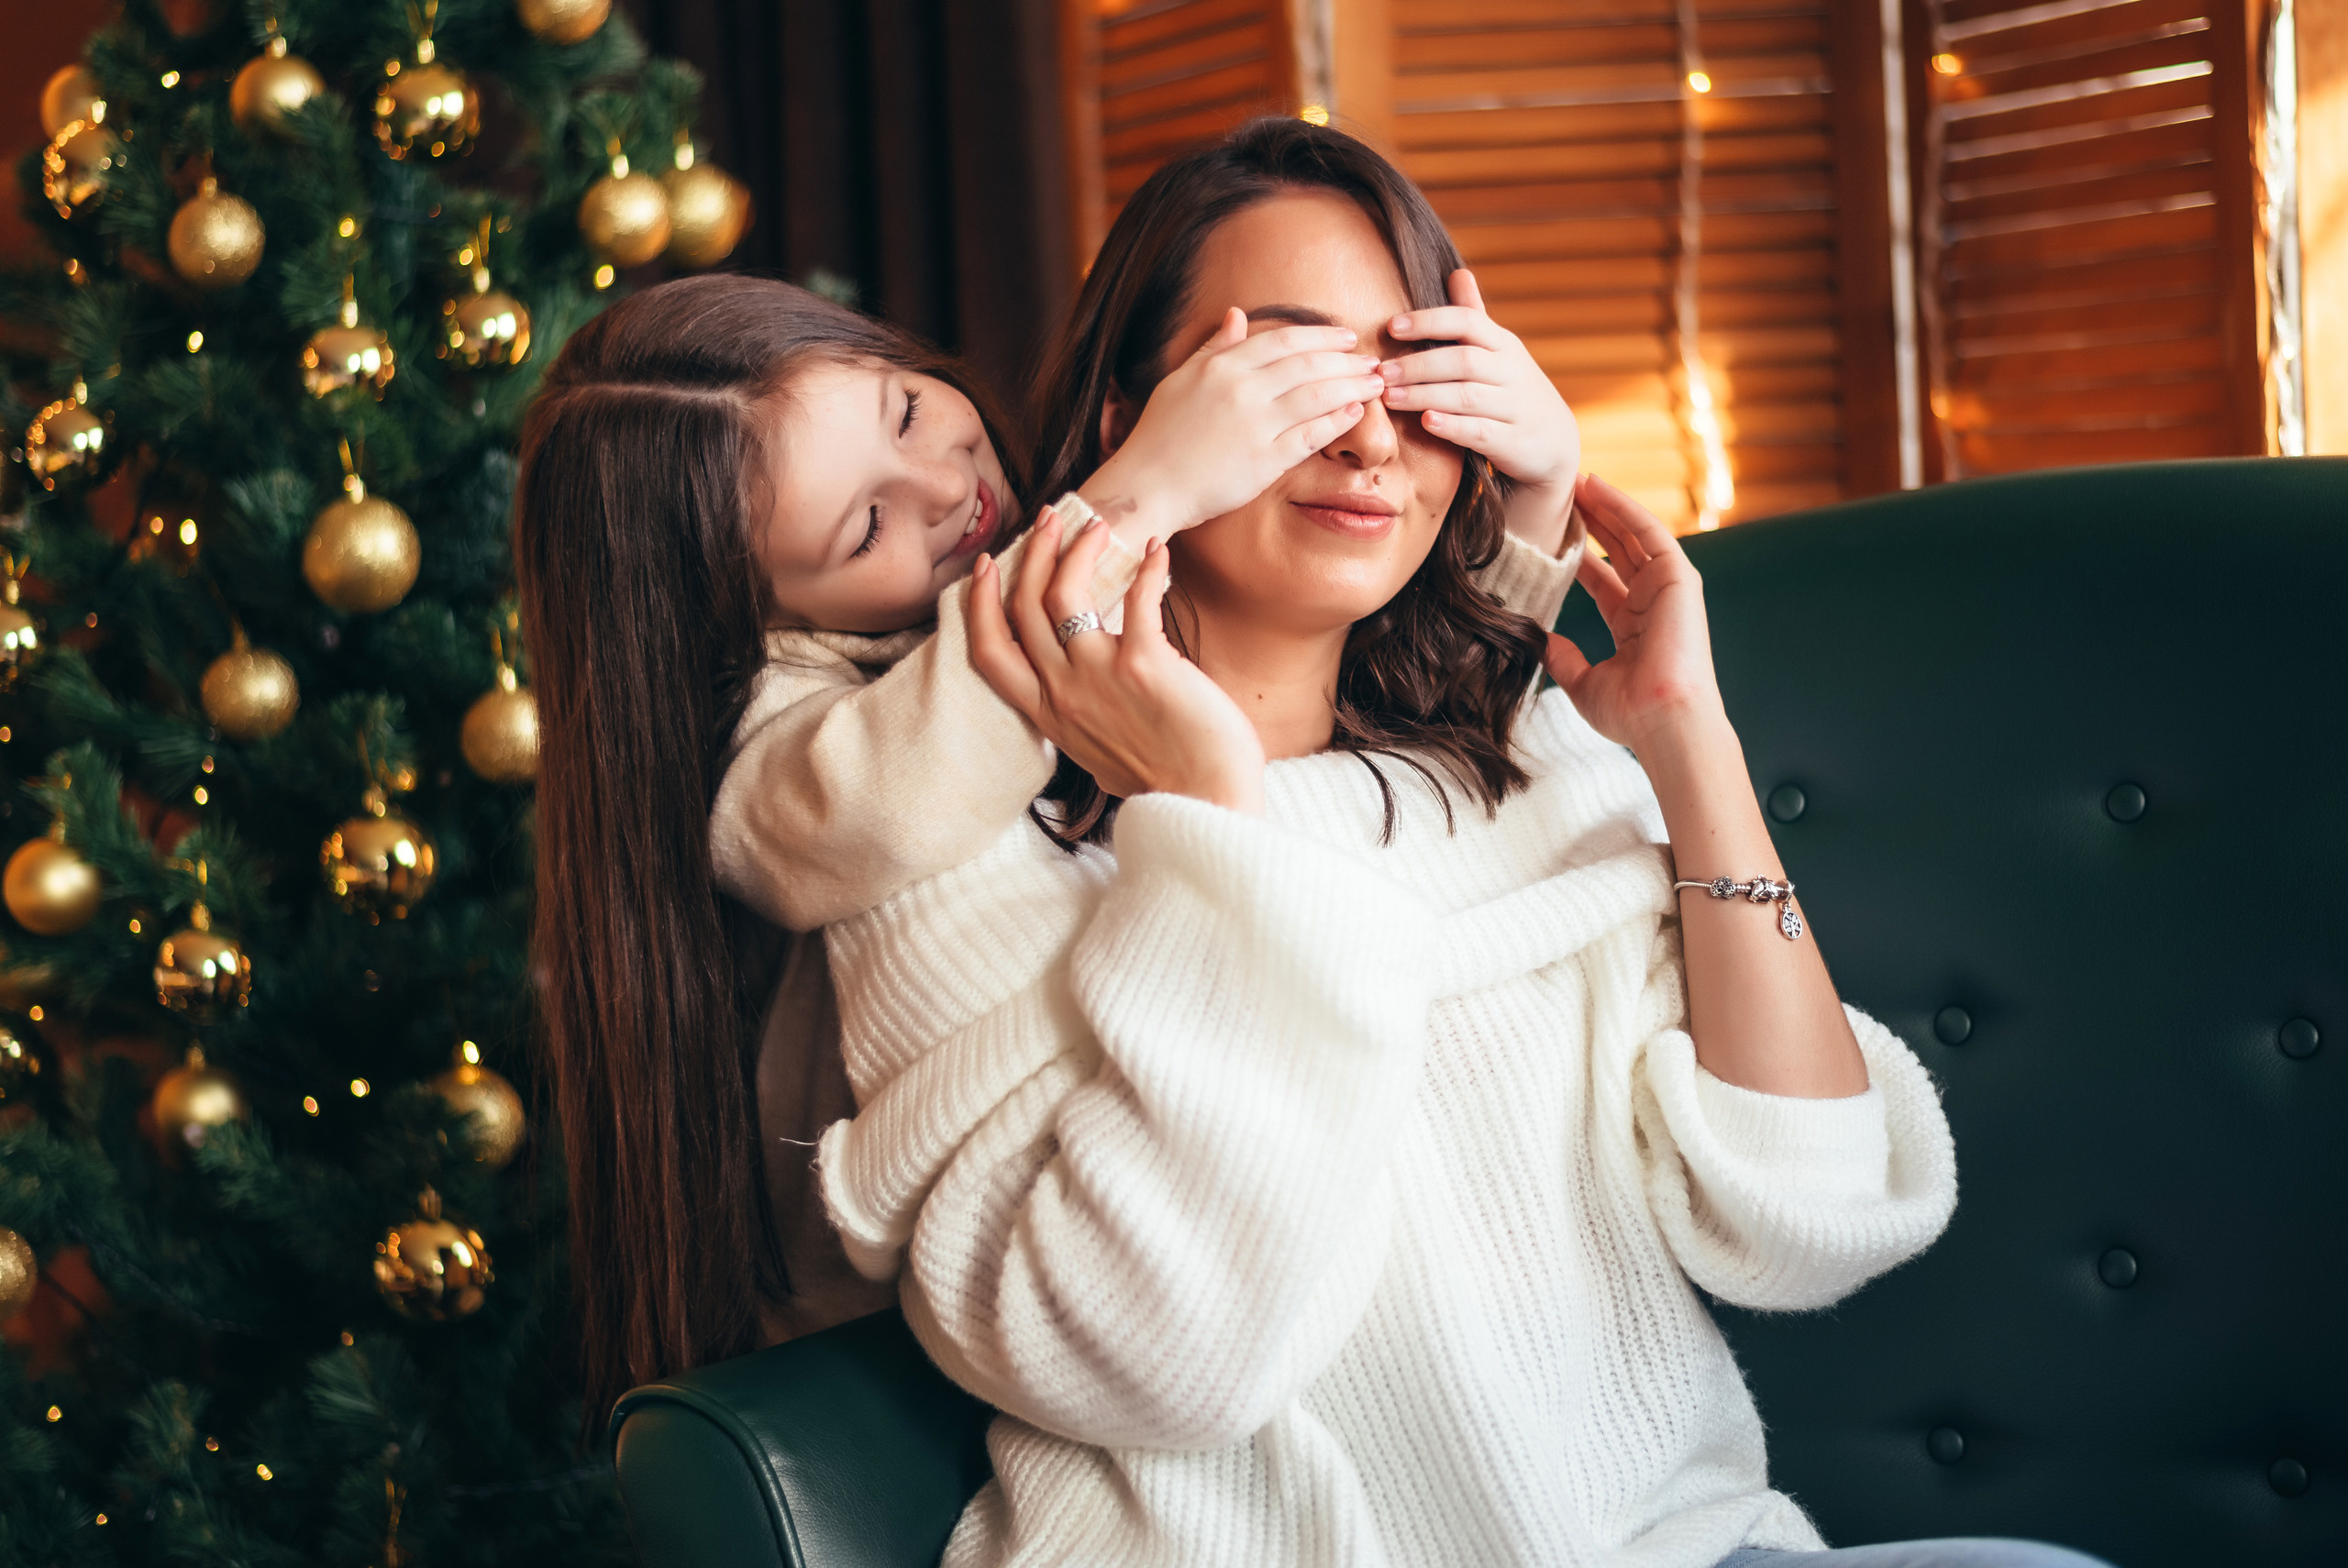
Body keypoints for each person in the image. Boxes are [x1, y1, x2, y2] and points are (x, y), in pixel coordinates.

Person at [812, 118, 2104, 1568]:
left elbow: (1811, 1216)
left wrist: (1689, 741)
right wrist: (1218, 821)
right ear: (1135, 421)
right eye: (1293, 376)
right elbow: (1154, 1362)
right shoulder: (970, 845)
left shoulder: (1507, 759)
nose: (1373, 437)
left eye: (1416, 376)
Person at [512, 271, 1584, 1415]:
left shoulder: (1043, 558)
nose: (942, 490)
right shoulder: (794, 732)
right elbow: (862, 805)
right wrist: (1141, 494)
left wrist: (1528, 508)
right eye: (865, 525)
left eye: (910, 412)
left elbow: (1385, 731)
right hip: (953, 1359)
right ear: (758, 613)